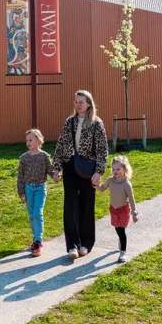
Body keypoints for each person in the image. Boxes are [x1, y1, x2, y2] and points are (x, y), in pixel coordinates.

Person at [52, 90, 109, 261]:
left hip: (87, 168)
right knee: (70, 205)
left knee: (86, 205)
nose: (77, 105)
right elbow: (61, 145)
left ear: (89, 104)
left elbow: (102, 149)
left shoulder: (96, 123)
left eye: (81, 102)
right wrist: (56, 168)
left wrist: (99, 172)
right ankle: (72, 245)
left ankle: (86, 243)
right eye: (75, 102)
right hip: (70, 167)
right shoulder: (70, 122)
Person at [94, 155, 138, 263]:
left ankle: (123, 252)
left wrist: (134, 212)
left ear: (125, 170)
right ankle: (120, 239)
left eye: (118, 169)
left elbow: (131, 199)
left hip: (123, 210)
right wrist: (96, 185)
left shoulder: (126, 184)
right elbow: (102, 188)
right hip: (113, 209)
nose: (115, 171)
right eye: (113, 169)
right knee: (117, 228)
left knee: (121, 230)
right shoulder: (110, 180)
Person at [17, 128, 53, 257]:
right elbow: (20, 177)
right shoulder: (24, 158)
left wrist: (56, 176)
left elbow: (51, 170)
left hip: (40, 188)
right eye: (27, 140)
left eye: (31, 140)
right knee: (31, 214)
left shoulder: (44, 156)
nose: (28, 142)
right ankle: (35, 237)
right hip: (28, 189)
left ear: (39, 141)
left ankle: (38, 240)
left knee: (38, 212)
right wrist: (21, 193)